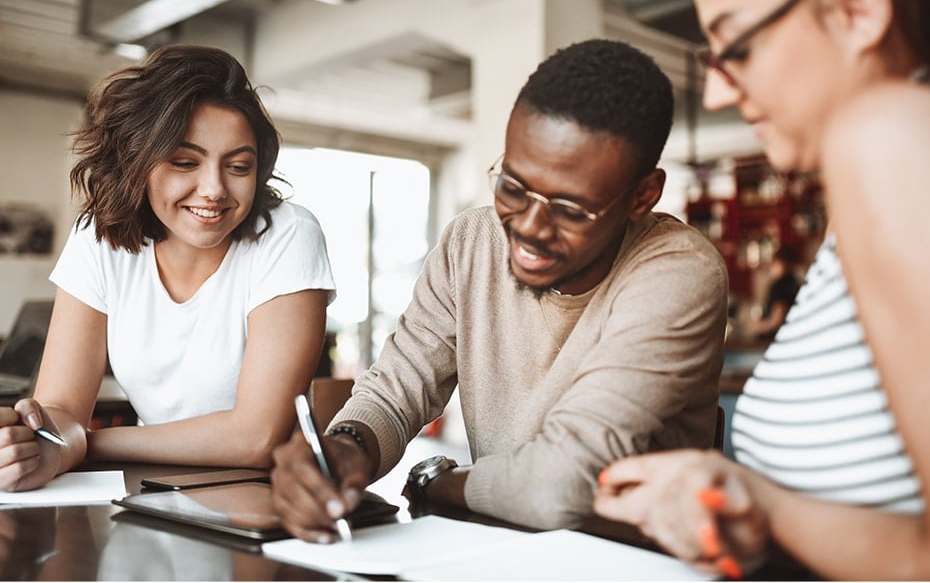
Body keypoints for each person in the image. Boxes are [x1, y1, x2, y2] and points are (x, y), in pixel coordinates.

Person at [594, 0, 930, 579]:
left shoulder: (885, 136)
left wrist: (751, 497)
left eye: (736, 45)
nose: (717, 91)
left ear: (857, 5)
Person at [270, 38, 728, 539]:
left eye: (570, 209)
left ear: (643, 196)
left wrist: (436, 484)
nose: (529, 226)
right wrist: (346, 447)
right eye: (513, 185)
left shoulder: (678, 270)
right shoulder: (473, 242)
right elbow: (397, 390)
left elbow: (560, 484)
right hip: (497, 549)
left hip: (629, 565)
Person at [0, 45, 335, 491]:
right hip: (155, 491)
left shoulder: (289, 235)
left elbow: (257, 437)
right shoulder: (98, 239)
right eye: (184, 162)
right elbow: (59, 407)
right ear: (138, 162)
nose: (214, 189)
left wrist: (82, 443)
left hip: (271, 498)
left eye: (238, 166)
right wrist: (34, 443)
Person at [748, 246, 799, 340]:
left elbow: (777, 320)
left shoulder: (779, 285)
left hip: (772, 340)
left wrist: (758, 327)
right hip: (792, 338)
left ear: (780, 263)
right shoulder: (795, 284)